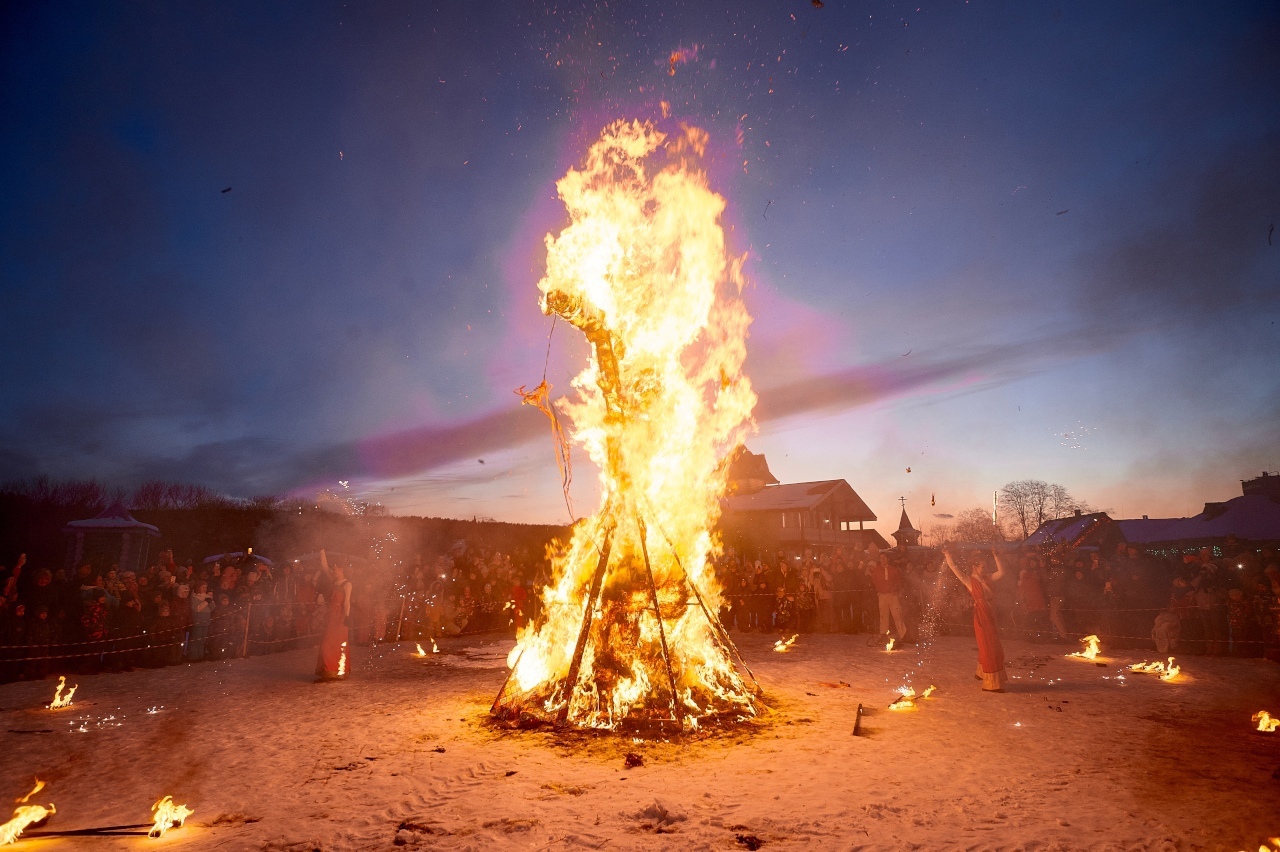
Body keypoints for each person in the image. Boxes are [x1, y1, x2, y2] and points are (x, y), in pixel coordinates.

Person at [944, 546, 1008, 693]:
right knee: (989, 646)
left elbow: (1002, 572)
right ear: (974, 567)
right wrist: (948, 554)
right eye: (982, 567)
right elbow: (953, 567)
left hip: (991, 613)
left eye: (986, 566)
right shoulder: (969, 580)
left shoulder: (987, 578)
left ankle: (981, 672)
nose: (985, 569)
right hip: (981, 615)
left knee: (991, 644)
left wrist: (996, 556)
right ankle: (991, 683)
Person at [315, 550, 352, 680]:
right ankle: (328, 671)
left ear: (341, 569)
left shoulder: (347, 584)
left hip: (340, 616)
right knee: (326, 644)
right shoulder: (333, 581)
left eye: (335, 569)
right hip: (330, 616)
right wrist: (322, 551)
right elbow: (324, 566)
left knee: (337, 643)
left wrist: (346, 617)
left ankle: (337, 671)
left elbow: (346, 602)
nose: (333, 571)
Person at [868, 551, 908, 642]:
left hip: (893, 595)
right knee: (883, 616)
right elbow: (874, 581)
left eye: (884, 557)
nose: (883, 560)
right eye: (881, 558)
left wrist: (895, 590)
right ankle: (883, 634)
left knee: (897, 614)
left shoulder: (893, 569)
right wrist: (879, 590)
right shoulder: (877, 570)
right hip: (882, 596)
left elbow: (898, 581)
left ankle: (903, 634)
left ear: (888, 559)